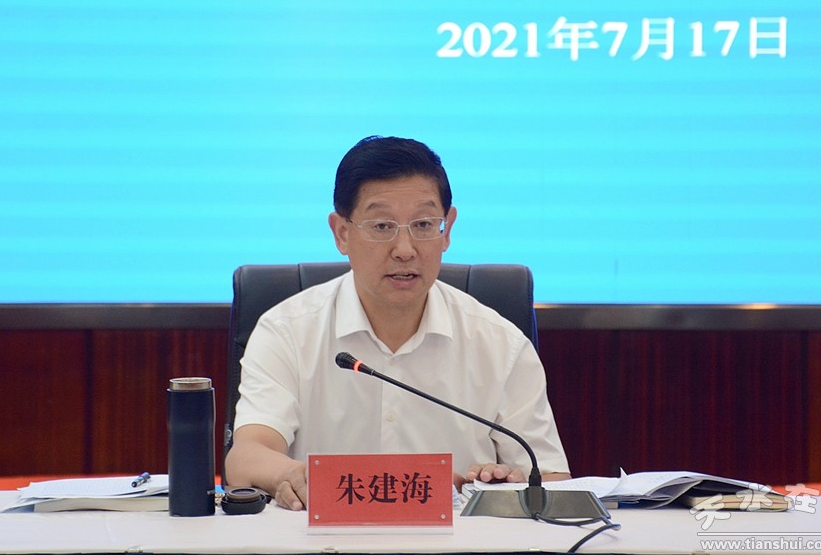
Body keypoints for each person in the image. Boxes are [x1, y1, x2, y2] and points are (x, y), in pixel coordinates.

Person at [225, 135, 570, 510]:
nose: (405, 250)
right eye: (381, 226)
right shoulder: (287, 332)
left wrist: (506, 488)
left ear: (447, 229)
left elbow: (552, 479)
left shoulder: (501, 345)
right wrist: (295, 477)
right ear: (342, 233)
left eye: (423, 224)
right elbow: (246, 457)